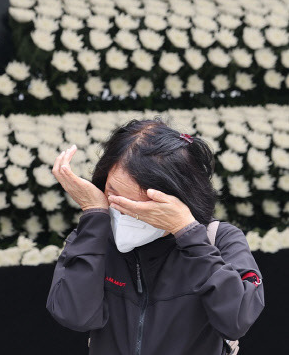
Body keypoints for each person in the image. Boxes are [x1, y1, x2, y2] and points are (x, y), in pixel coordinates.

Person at [45, 118, 265, 355]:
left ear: (180, 197)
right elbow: (74, 315)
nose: (125, 211)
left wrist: (188, 233)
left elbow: (237, 321)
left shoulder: (219, 239)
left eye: (141, 204)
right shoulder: (94, 236)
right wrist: (94, 215)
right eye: (115, 196)